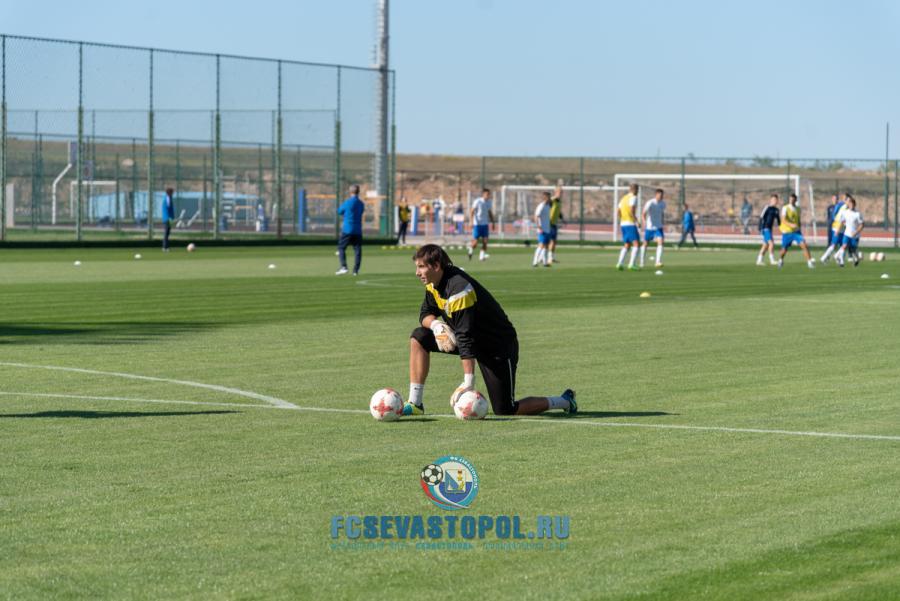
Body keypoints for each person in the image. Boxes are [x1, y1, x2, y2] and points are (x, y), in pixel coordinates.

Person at [404, 244, 576, 417]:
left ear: (436, 266)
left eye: (421, 267)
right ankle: (415, 403)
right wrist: (436, 326)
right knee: (419, 336)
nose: (417, 273)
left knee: (506, 409)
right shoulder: (433, 284)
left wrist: (468, 382)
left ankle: (564, 401)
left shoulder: (459, 289)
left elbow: (465, 337)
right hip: (472, 340)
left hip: (497, 346)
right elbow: (425, 314)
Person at [777, 193, 815, 269]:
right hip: (787, 232)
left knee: (804, 245)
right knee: (784, 249)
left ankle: (809, 262)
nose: (791, 201)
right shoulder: (785, 208)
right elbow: (783, 220)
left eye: (793, 199)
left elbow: (798, 220)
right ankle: (780, 260)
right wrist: (791, 225)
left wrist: (799, 228)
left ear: (796, 200)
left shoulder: (798, 209)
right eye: (790, 199)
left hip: (796, 232)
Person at [336, 184, 365, 276]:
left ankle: (344, 267)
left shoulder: (348, 202)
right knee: (357, 249)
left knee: (341, 247)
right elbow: (361, 212)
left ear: (350, 192)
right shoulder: (361, 203)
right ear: (358, 192)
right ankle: (356, 270)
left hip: (347, 229)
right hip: (358, 230)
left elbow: (339, 211)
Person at [615, 184, 641, 270]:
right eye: (637, 190)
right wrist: (636, 221)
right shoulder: (633, 197)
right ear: (635, 190)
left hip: (623, 224)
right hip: (630, 223)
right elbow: (631, 210)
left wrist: (622, 219)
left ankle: (619, 264)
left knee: (627, 244)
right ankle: (631, 264)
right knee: (636, 244)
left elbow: (618, 211)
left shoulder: (623, 198)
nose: (638, 192)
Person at [833, 196, 864, 267]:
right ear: (848, 205)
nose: (851, 205)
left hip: (855, 235)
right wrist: (837, 230)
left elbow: (862, 225)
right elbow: (841, 222)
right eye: (850, 204)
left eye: (852, 204)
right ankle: (841, 261)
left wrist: (856, 232)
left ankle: (856, 259)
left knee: (853, 249)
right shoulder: (845, 213)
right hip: (847, 233)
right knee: (844, 246)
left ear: (854, 205)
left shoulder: (857, 214)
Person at [640, 188, 666, 268]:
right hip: (650, 227)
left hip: (658, 227)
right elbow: (643, 213)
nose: (661, 197)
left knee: (661, 242)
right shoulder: (650, 203)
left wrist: (662, 222)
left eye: (662, 195)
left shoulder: (663, 203)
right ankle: (642, 262)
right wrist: (644, 222)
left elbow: (662, 213)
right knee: (645, 243)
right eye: (660, 195)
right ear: (656, 195)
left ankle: (657, 262)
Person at [820, 192, 848, 264]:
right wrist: (837, 222)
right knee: (834, 245)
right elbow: (835, 215)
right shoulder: (841, 205)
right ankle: (824, 257)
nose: (846, 200)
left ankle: (838, 258)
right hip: (837, 227)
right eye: (845, 199)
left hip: (842, 228)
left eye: (847, 199)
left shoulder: (847, 207)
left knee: (844, 244)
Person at [468, 188, 494, 261]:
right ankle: (470, 250)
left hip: (485, 224)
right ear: (483, 194)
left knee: (485, 242)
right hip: (477, 224)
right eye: (487, 194)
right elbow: (472, 211)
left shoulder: (489, 202)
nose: (488, 196)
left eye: (489, 194)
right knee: (475, 243)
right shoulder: (478, 201)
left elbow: (489, 212)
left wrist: (493, 222)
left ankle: (481, 257)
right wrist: (471, 221)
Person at [756, 194, 781, 266]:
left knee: (765, 245)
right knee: (771, 243)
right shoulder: (767, 208)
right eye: (773, 200)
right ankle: (772, 260)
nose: (775, 201)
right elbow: (761, 218)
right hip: (765, 228)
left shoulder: (776, 210)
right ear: (771, 200)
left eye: (776, 200)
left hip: (770, 229)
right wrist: (760, 228)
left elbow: (779, 221)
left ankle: (759, 260)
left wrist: (782, 227)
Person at [532, 192, 552, 267]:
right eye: (549, 197)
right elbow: (536, 216)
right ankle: (535, 262)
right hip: (542, 229)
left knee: (546, 245)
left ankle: (545, 262)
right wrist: (539, 227)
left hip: (547, 228)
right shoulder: (541, 206)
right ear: (545, 198)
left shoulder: (548, 206)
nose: (550, 199)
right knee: (541, 245)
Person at [548, 183, 564, 263]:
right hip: (548, 223)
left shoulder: (559, 201)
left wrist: (561, 216)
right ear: (555, 192)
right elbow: (546, 205)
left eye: (562, 192)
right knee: (547, 241)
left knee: (554, 241)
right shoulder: (552, 200)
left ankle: (551, 257)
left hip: (554, 224)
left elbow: (558, 211)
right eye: (559, 191)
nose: (561, 193)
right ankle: (544, 257)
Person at [162, 187, 175, 252]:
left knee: (167, 233)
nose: (173, 193)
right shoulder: (167, 199)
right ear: (169, 193)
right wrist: (169, 218)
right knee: (166, 233)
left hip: (168, 218)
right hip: (167, 218)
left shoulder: (169, 198)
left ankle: (166, 247)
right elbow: (167, 209)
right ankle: (165, 247)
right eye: (172, 192)